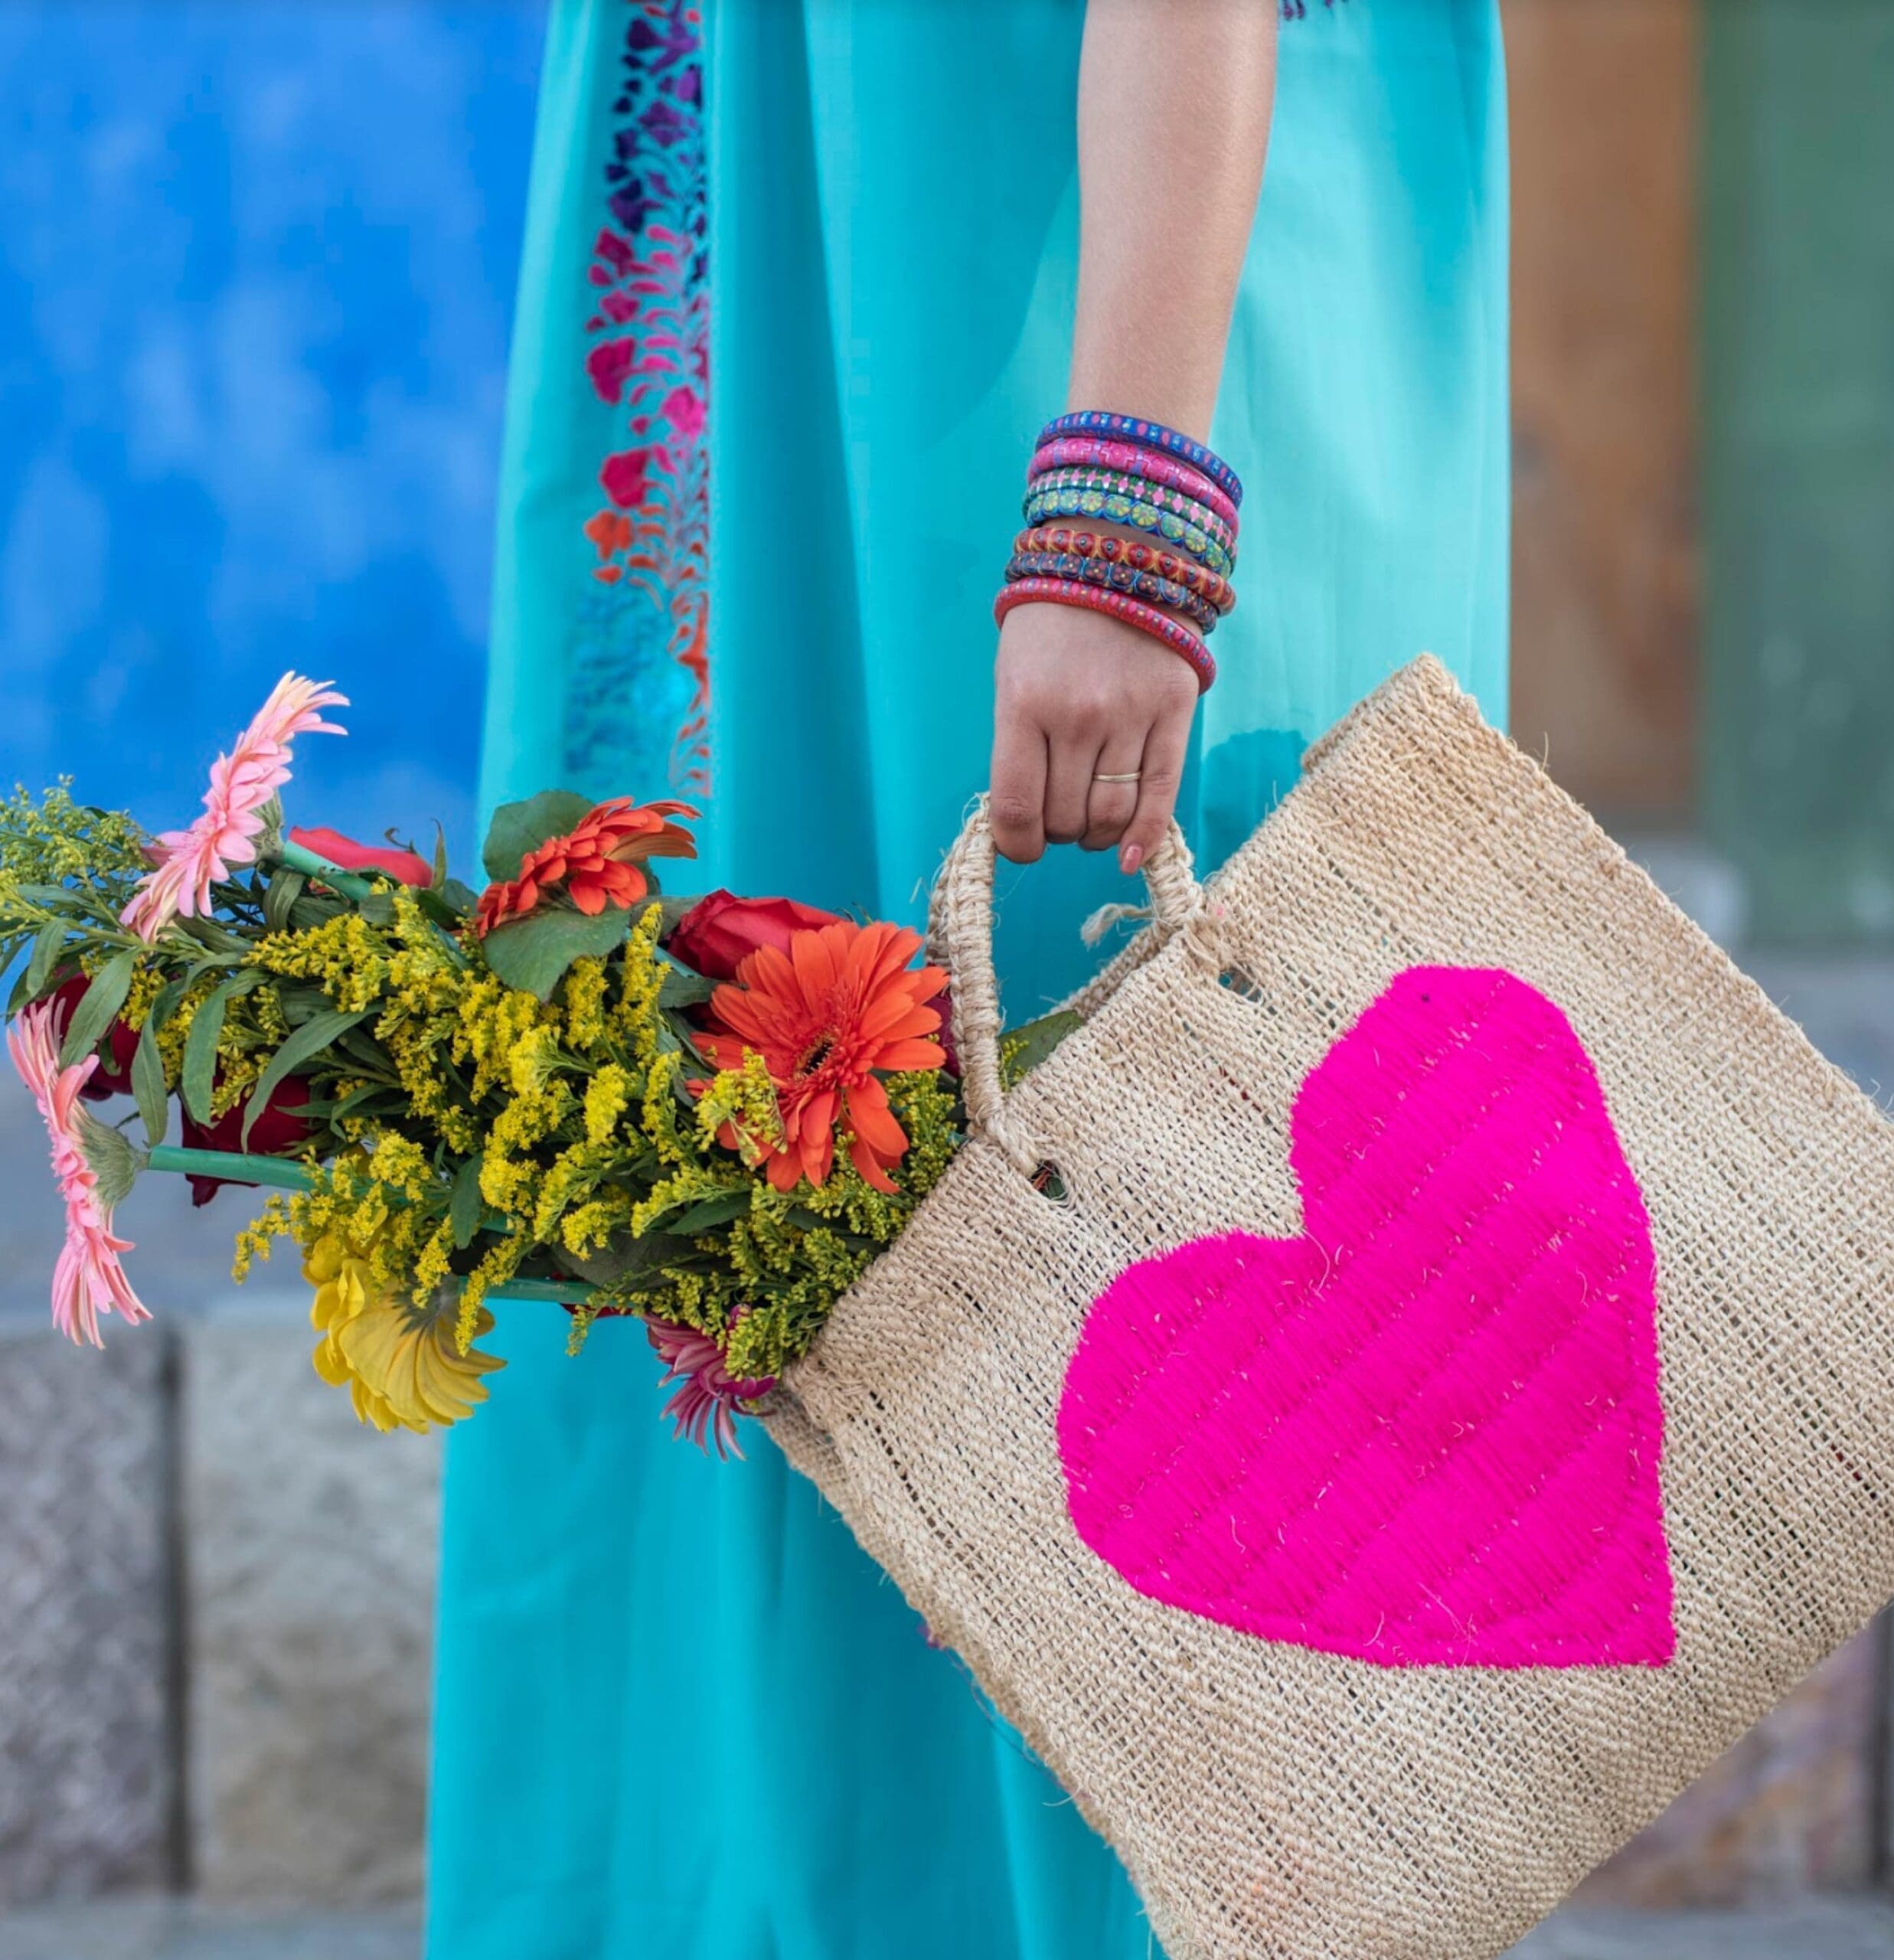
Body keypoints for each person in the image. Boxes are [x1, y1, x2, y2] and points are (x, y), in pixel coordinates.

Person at [429, 2, 1507, 1954]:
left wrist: (1125, 514)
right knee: (774, 1264)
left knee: (1105, 1311)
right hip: (780, 335)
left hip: (1046, 333)